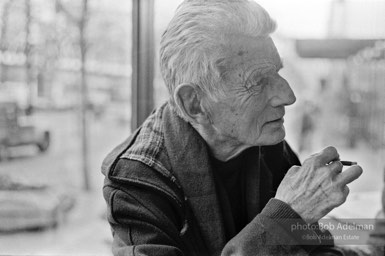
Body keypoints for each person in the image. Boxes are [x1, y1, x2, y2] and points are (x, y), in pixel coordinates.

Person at [101, 1, 377, 255]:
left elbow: (311, 248)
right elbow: (290, 227)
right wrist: (288, 215)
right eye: (258, 81)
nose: (288, 95)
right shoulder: (137, 180)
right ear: (194, 103)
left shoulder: (262, 140)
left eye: (277, 73)